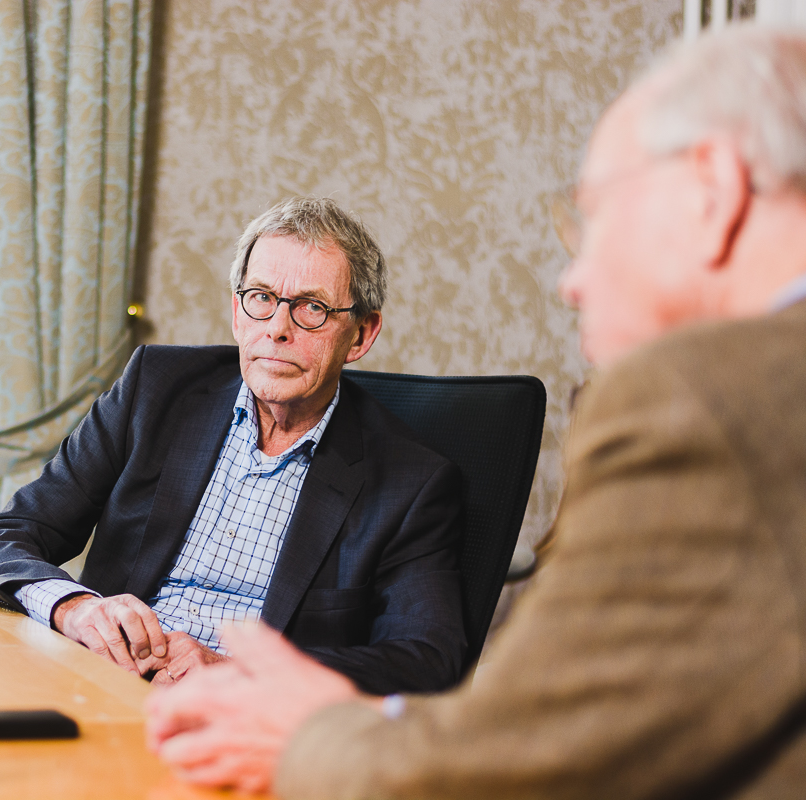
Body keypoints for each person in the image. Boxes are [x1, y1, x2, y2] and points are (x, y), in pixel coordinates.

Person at [145, 25, 806, 799]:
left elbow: (528, 755)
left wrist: (308, 732)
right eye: (261, 300)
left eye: (590, 221)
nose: (574, 280)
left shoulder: (700, 395)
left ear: (714, 190)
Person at [0, 196, 467, 695]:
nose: (277, 329)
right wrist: (76, 609)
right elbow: (0, 538)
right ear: (237, 312)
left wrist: (238, 670)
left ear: (360, 335)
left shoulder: (409, 482)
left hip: (243, 718)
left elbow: (426, 658)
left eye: (312, 308)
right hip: (106, 687)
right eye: (262, 298)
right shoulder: (154, 390)